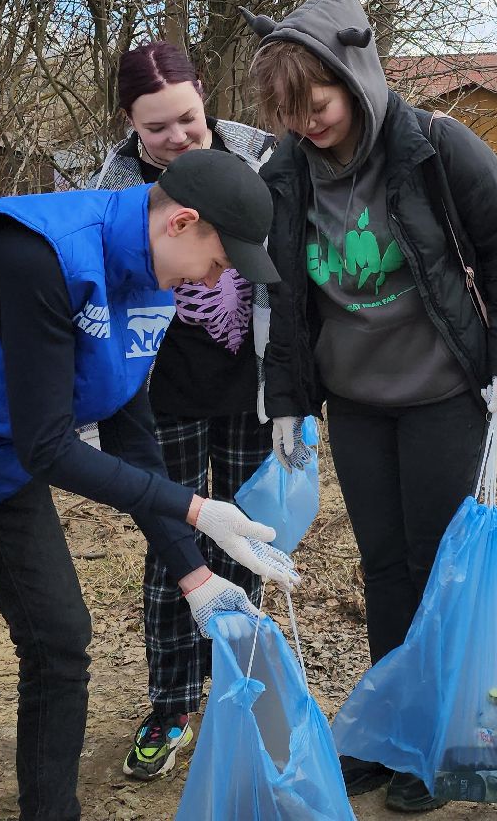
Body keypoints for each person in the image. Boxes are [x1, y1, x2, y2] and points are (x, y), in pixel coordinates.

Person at [0, 148, 299, 821]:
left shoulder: (152, 285)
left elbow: (131, 435)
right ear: (182, 222)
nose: (217, 279)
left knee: (61, 637)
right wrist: (194, 508)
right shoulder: (34, 251)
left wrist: (195, 576)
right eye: (220, 260)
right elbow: (47, 446)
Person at [243, 0, 497, 814]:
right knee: (382, 568)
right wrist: (285, 400)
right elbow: (285, 296)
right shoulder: (287, 174)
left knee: (435, 570)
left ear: (356, 76)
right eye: (290, 113)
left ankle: (436, 743)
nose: (307, 124)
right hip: (357, 403)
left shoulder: (435, 148)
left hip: (443, 395)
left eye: (318, 104)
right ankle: (390, 731)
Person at [85, 41, 283, 780]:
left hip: (248, 390)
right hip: (158, 397)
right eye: (157, 126)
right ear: (129, 122)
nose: (177, 137)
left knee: (244, 539)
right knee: (174, 539)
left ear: (206, 98)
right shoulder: (113, 188)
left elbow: (288, 276)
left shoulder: (259, 159)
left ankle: (242, 691)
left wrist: (293, 393)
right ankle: (171, 704)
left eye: (188, 118)